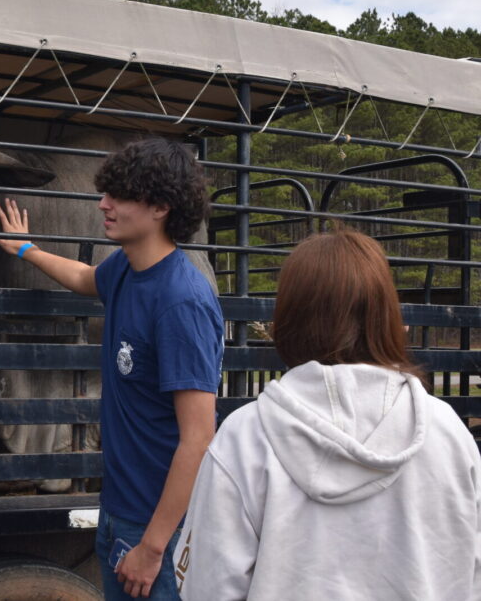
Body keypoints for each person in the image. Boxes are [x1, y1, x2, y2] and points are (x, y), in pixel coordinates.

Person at [173, 228, 481, 600]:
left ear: (289, 317)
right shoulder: (448, 432)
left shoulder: (245, 438)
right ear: (385, 314)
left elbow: (208, 585)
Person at [0, 137, 223, 600]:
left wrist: (154, 547)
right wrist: (25, 249)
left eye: (118, 195)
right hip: (117, 511)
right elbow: (83, 277)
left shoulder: (182, 301)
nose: (103, 204)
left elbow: (199, 439)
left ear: (159, 207)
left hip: (157, 528)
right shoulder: (124, 269)